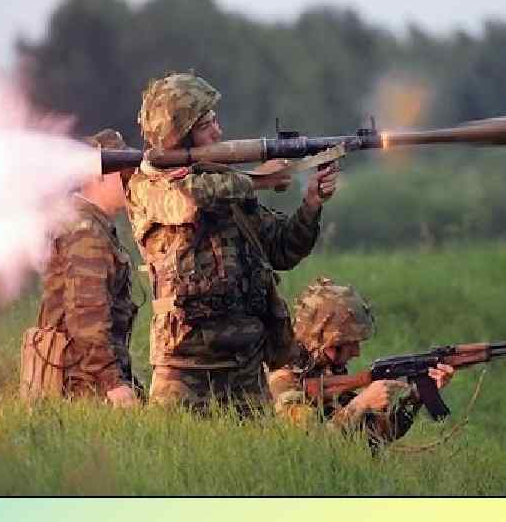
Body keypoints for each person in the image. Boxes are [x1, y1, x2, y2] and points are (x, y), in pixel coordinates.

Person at [124, 71, 341, 412]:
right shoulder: (147, 186)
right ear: (178, 136)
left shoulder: (225, 183)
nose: (218, 131)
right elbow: (188, 200)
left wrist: (311, 204)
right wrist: (258, 180)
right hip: (185, 367)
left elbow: (282, 249)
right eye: (206, 124)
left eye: (215, 121)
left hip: (246, 367)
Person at [20, 129, 141, 408]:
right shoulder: (86, 231)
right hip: (83, 386)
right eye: (124, 173)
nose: (132, 180)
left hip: (86, 377)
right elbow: (87, 316)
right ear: (99, 176)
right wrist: (113, 384)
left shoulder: (91, 223)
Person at [268, 278, 455, 448]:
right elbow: (312, 446)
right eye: (350, 343)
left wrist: (416, 394)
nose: (357, 352)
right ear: (327, 341)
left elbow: (379, 435)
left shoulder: (324, 373)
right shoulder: (282, 380)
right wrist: (360, 404)